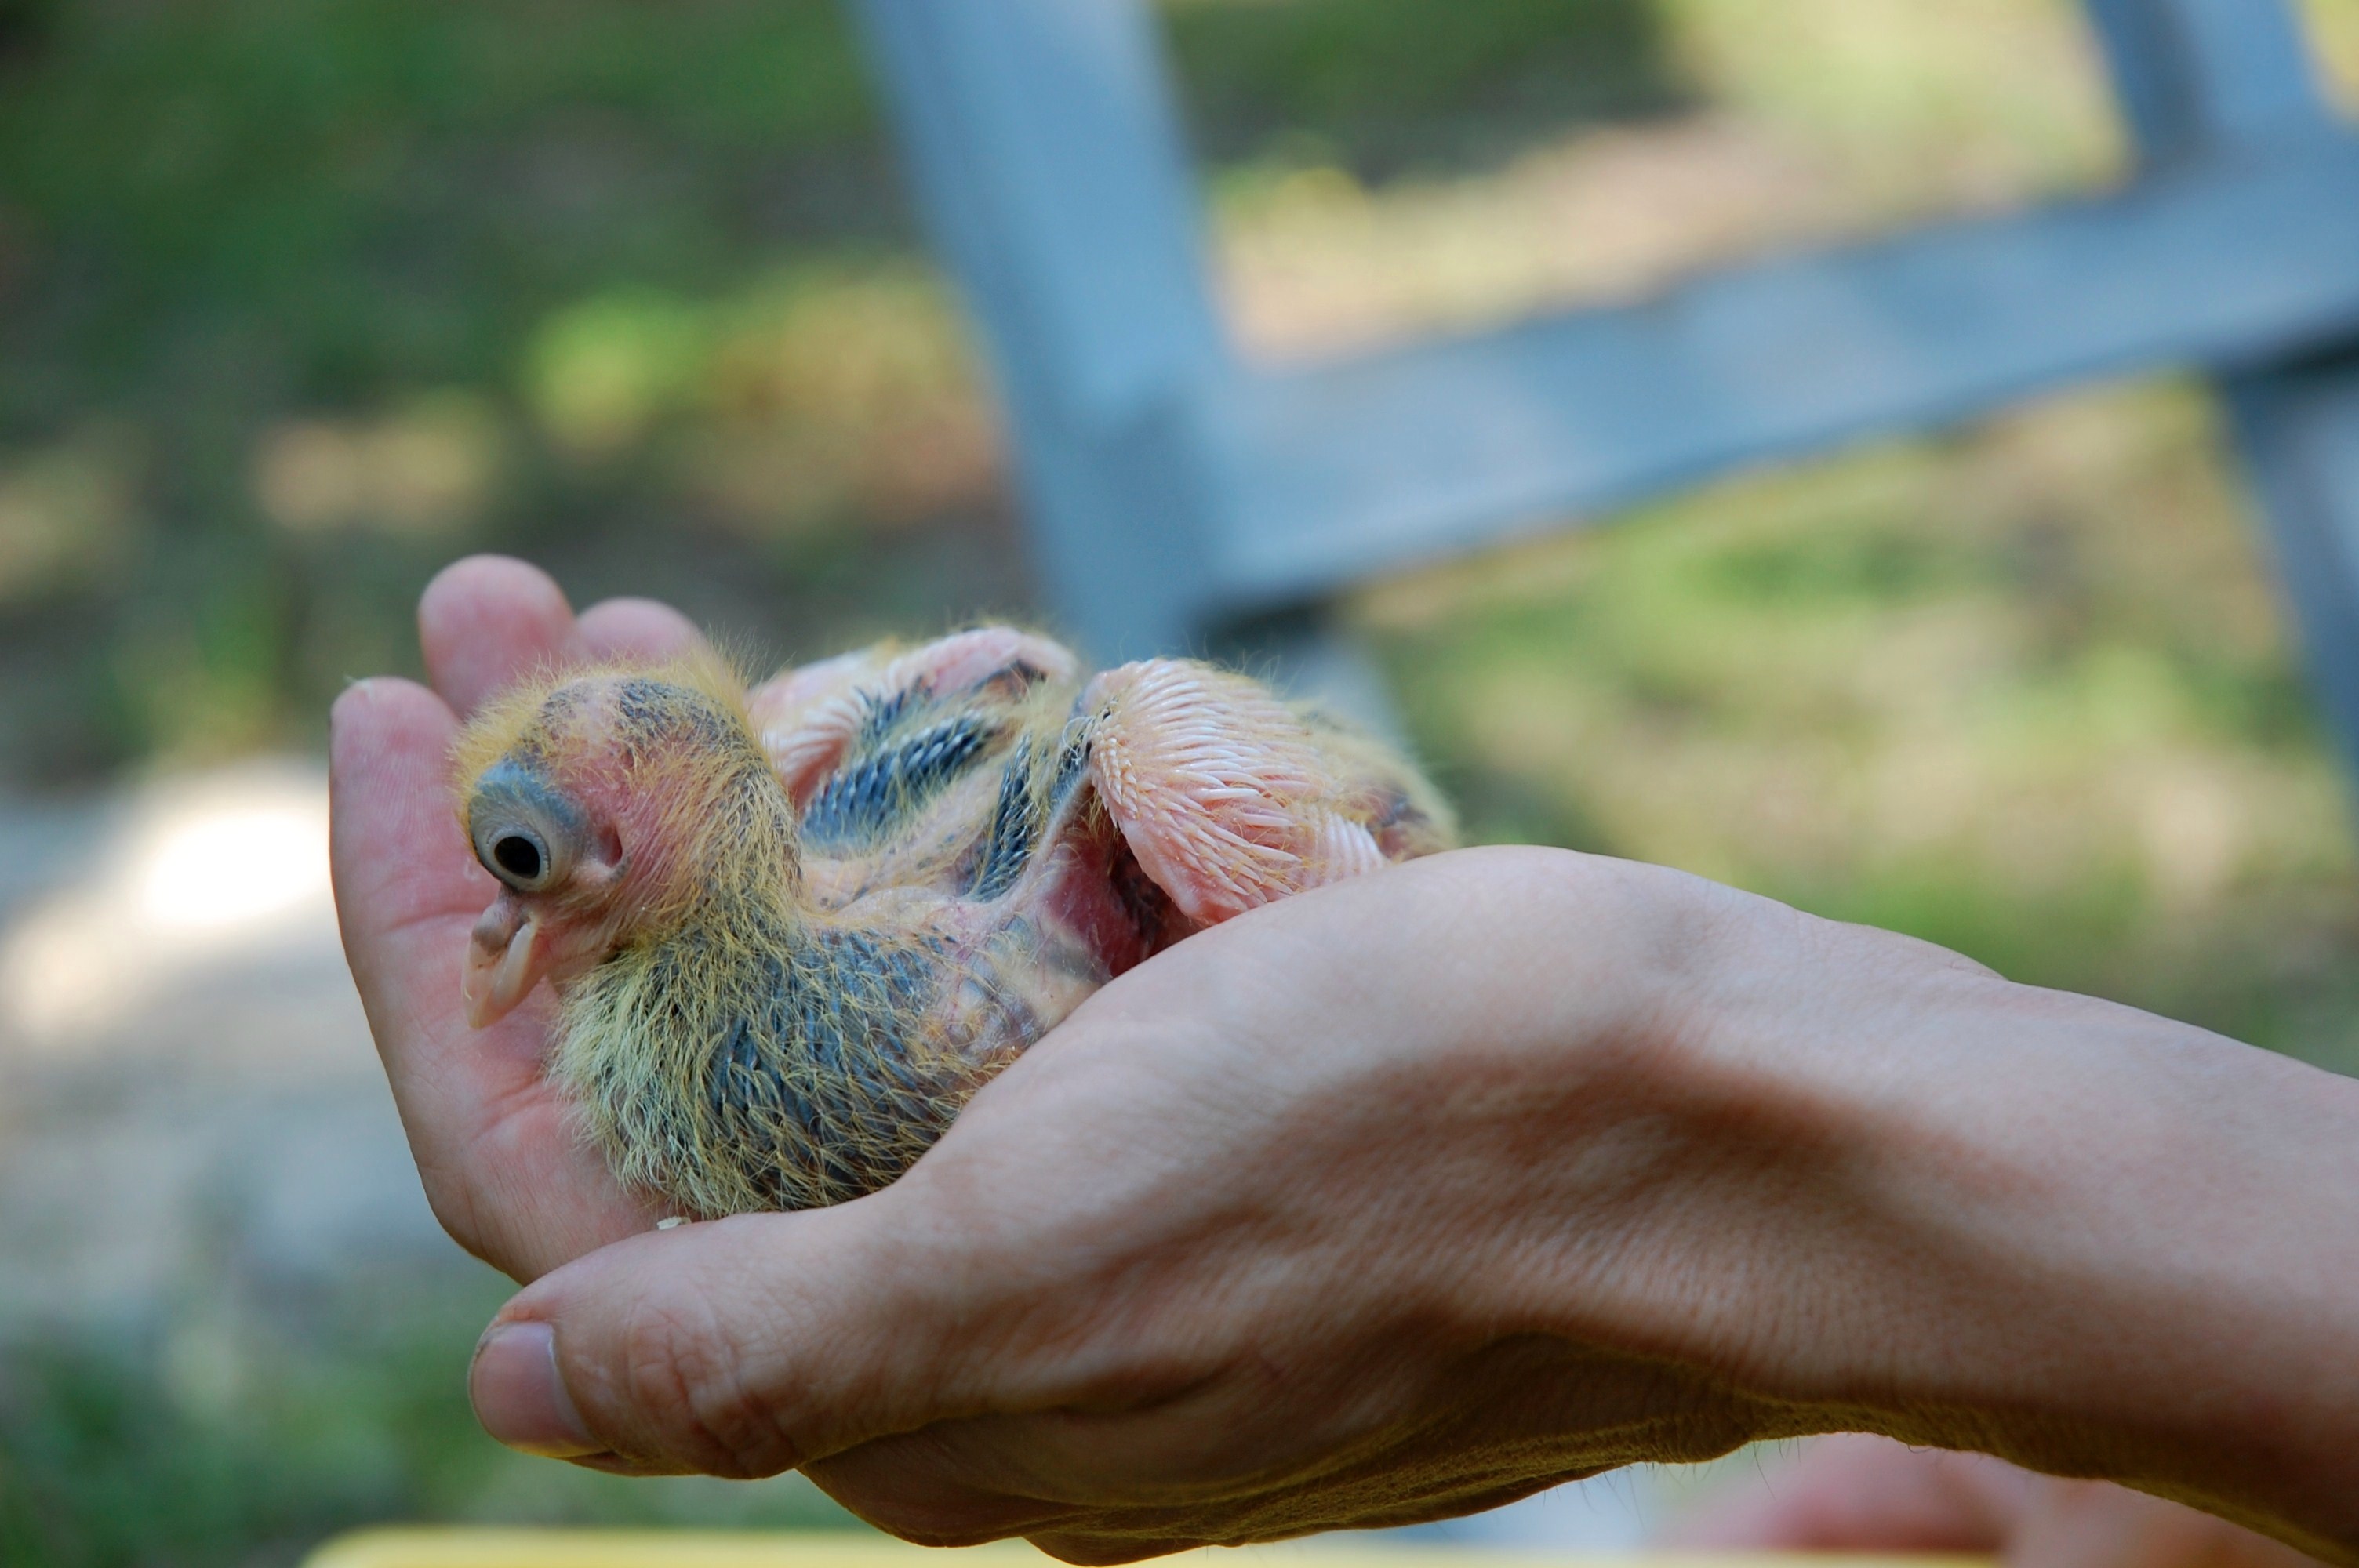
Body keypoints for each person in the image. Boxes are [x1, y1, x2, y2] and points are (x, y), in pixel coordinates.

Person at [329, 557, 2359, 1566]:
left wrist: (1716, 1155)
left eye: (526, 871)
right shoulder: (815, 810)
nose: (515, 929)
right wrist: (2156, 1435)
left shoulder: (1082, 814)